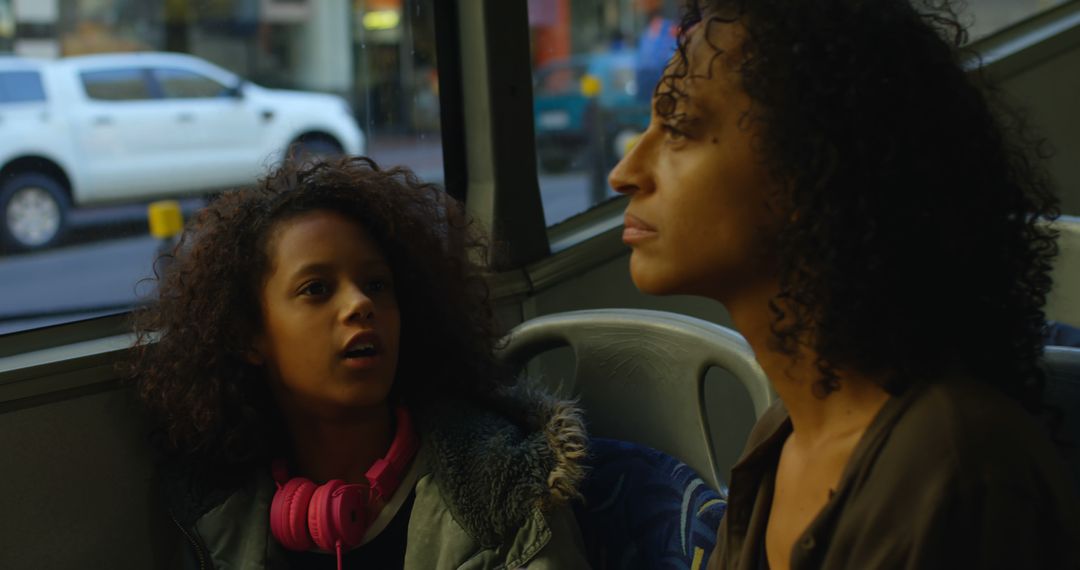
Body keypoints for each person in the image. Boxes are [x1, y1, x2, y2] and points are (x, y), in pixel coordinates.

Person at [608, 1, 1080, 568]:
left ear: (812, 170)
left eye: (678, 128)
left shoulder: (956, 472)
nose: (625, 172)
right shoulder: (783, 433)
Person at [127, 156, 590, 569]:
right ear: (249, 336)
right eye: (317, 289)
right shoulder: (216, 513)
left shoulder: (505, 489)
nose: (359, 304)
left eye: (377, 284)